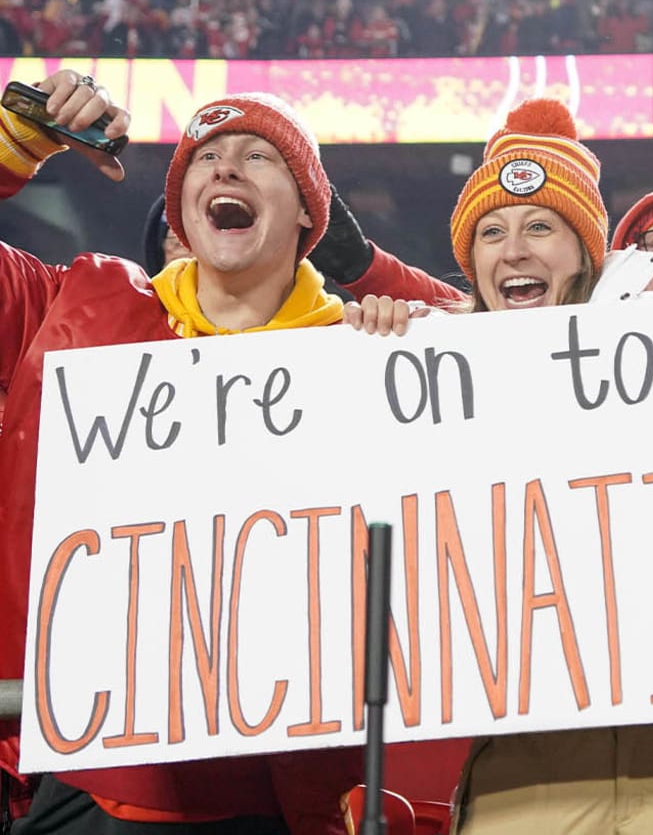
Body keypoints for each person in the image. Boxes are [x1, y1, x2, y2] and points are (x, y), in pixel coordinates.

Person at [0, 78, 449, 835]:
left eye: (258, 157)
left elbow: (527, 342)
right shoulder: (74, 304)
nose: (227, 168)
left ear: (311, 211)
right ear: (179, 212)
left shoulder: (365, 353)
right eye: (205, 157)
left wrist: (387, 285)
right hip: (82, 775)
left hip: (278, 789)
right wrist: (13, 145)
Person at [349, 97, 653, 835]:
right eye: (491, 232)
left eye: (540, 228)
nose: (514, 250)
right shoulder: (425, 371)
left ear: (592, 255)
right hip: (526, 749)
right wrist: (365, 344)